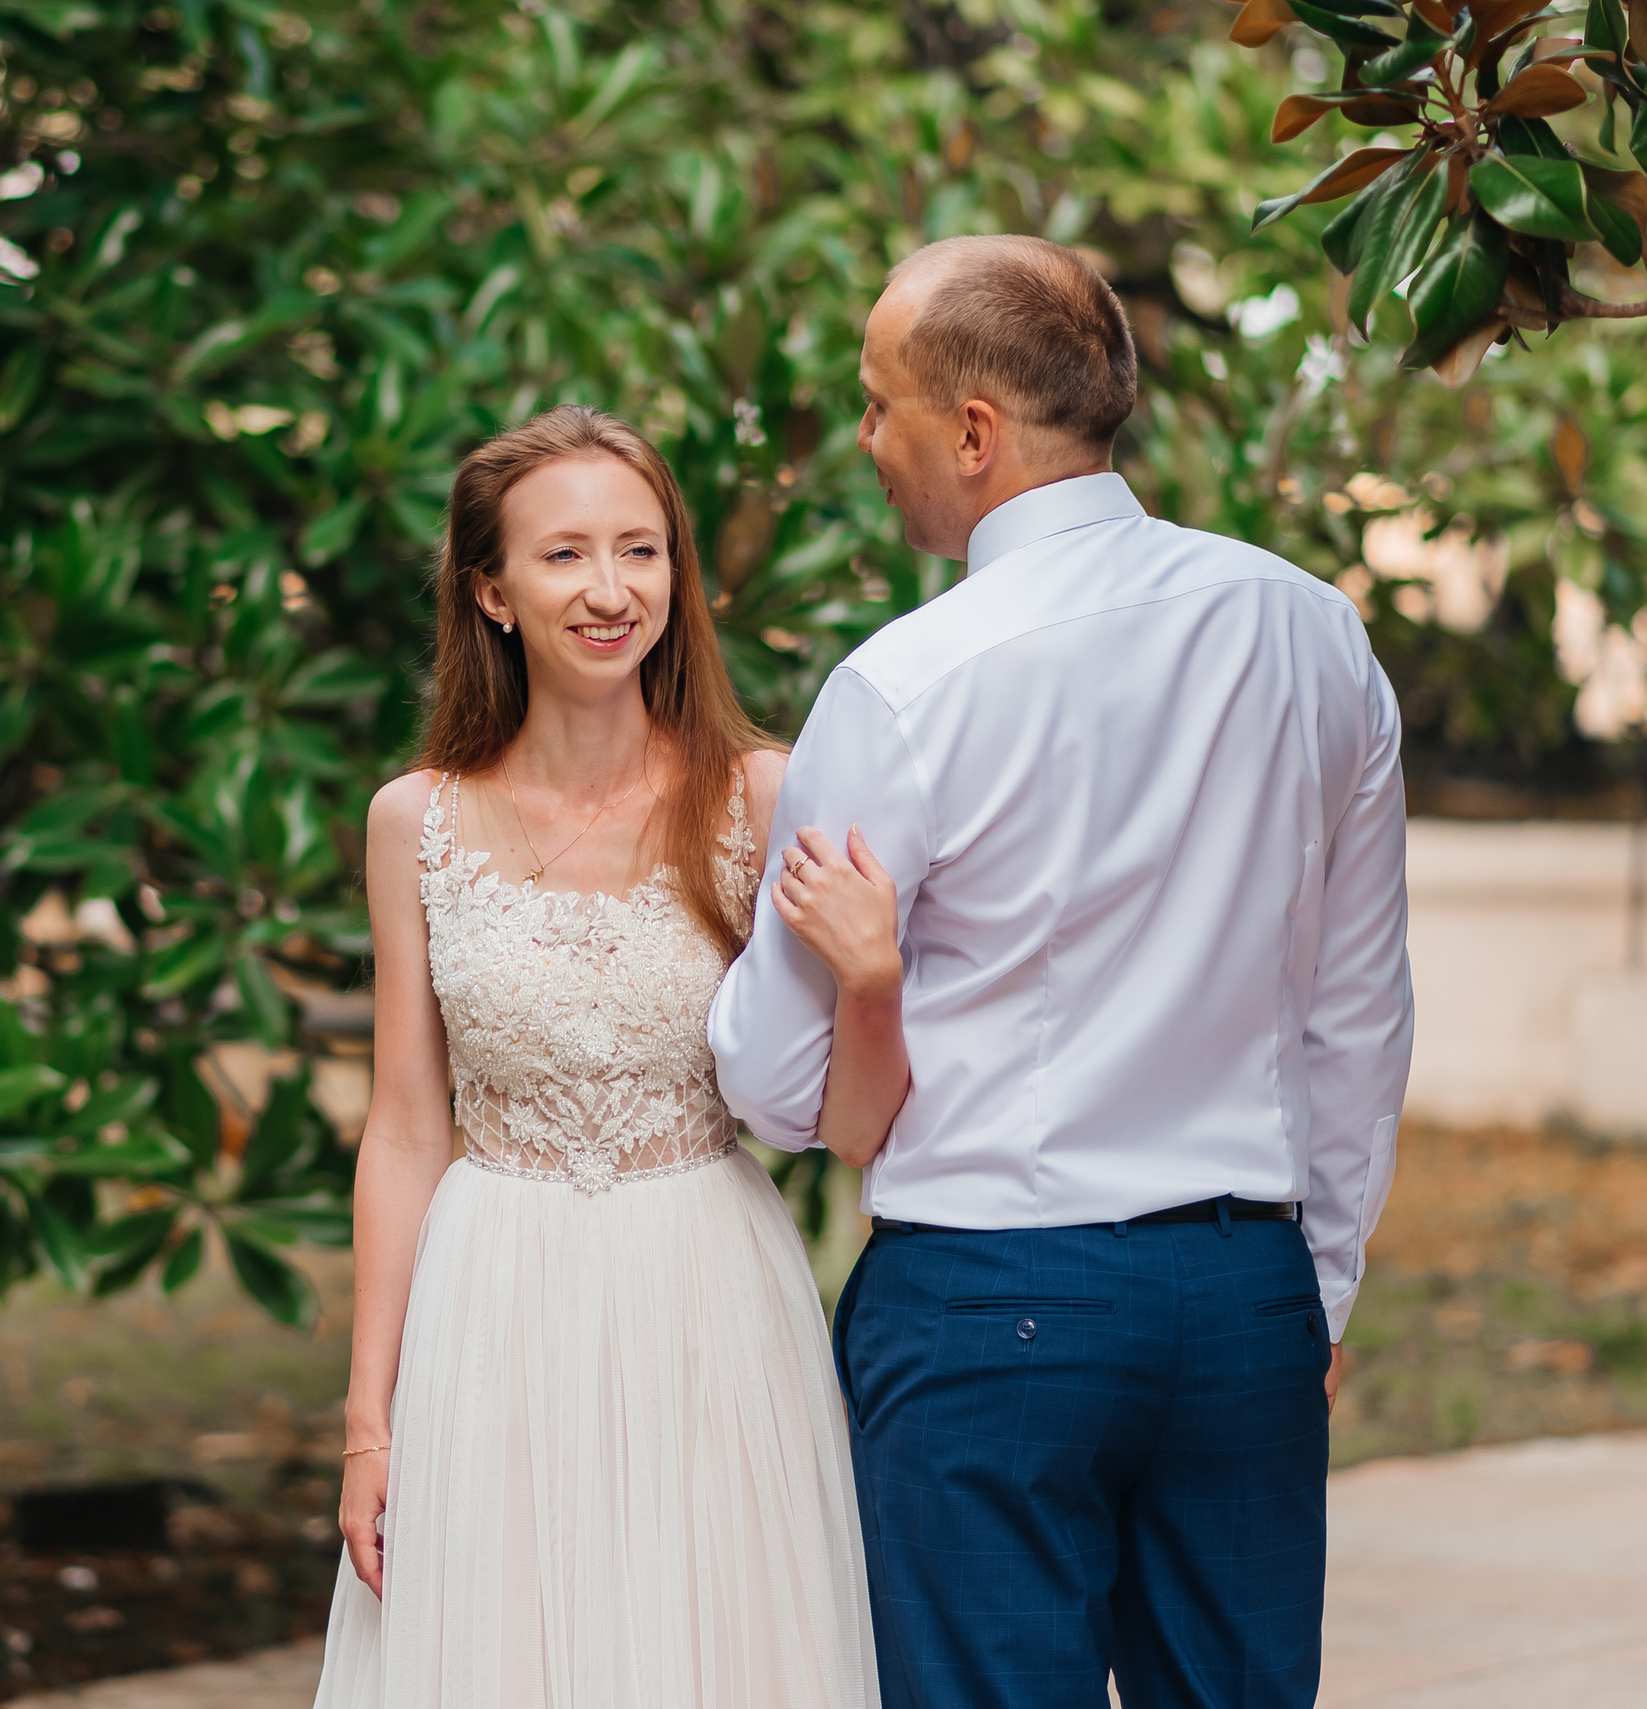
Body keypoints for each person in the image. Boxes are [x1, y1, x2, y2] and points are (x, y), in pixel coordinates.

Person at [710, 234, 1413, 1709]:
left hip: (987, 1298)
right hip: (1243, 1294)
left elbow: (777, 1087)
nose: (864, 439)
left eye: (876, 401)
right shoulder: (1314, 633)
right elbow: (1358, 1014)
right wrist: (1317, 1294)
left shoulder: (903, 686)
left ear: (971, 432)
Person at [312, 405, 879, 1709]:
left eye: (642, 549)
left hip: (704, 1289)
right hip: (491, 1298)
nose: (612, 588)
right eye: (565, 555)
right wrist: (368, 1419)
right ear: (490, 591)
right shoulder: (416, 823)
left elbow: (835, 1095)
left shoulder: (758, 797)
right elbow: (404, 1126)